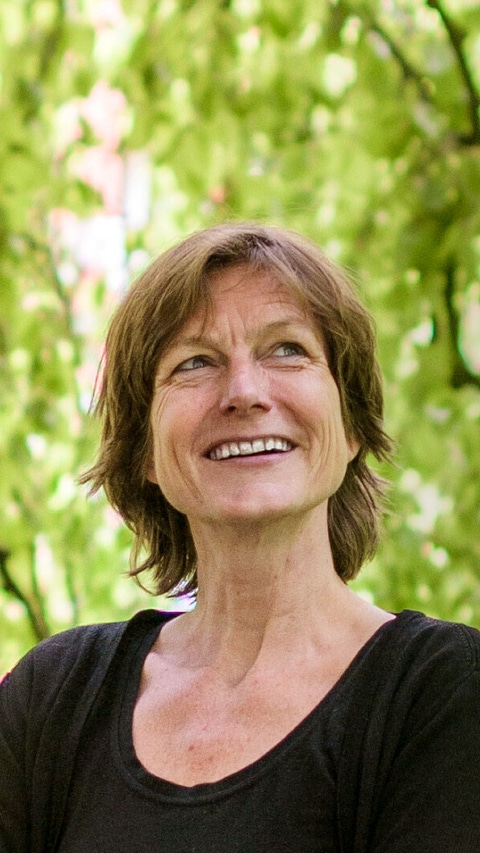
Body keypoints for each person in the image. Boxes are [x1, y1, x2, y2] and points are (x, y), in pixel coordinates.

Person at [1, 223, 479, 853]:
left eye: (287, 350)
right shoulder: (51, 698)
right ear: (144, 449)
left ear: (353, 423)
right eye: (194, 362)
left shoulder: (446, 693)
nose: (246, 393)